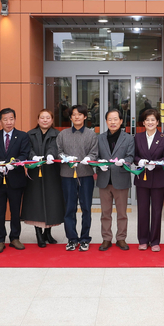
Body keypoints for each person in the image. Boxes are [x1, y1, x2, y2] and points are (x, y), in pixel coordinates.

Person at [0, 108, 32, 253]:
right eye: (5, 119)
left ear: (15, 119)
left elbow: (24, 154)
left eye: (11, 119)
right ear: (0, 121)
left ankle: (15, 238)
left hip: (16, 179)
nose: (9, 122)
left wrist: (14, 163)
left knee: (15, 211)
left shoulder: (22, 136)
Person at [56, 104, 99, 251]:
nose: (77, 117)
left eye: (80, 114)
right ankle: (72, 239)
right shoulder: (63, 134)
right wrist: (66, 158)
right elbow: (58, 152)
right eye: (74, 114)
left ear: (85, 117)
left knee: (86, 208)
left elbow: (94, 152)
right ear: (70, 117)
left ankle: (85, 238)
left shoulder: (91, 134)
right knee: (69, 208)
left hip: (86, 175)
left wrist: (88, 158)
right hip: (67, 175)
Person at [96, 109, 135, 251]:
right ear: (106, 121)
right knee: (105, 213)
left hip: (121, 179)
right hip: (104, 180)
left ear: (121, 121)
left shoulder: (129, 138)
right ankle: (106, 238)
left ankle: (121, 238)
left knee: (122, 213)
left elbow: (131, 156)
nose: (112, 122)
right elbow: (95, 156)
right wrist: (99, 163)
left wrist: (124, 161)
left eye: (115, 119)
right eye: (109, 119)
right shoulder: (99, 138)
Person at [24, 109, 64, 246]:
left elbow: (55, 147)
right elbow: (28, 149)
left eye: (48, 118)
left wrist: (50, 155)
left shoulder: (57, 134)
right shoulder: (30, 134)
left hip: (51, 172)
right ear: (38, 120)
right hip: (35, 172)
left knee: (51, 202)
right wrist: (33, 157)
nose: (45, 120)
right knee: (36, 203)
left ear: (52, 120)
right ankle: (38, 234)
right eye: (42, 117)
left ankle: (48, 232)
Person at [134, 108, 164, 251]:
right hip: (142, 178)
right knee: (142, 210)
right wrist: (140, 161)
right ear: (143, 122)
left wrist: (155, 164)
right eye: (147, 120)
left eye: (153, 120)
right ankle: (143, 240)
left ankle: (155, 241)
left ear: (157, 122)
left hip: (158, 178)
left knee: (157, 211)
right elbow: (134, 155)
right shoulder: (138, 137)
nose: (150, 122)